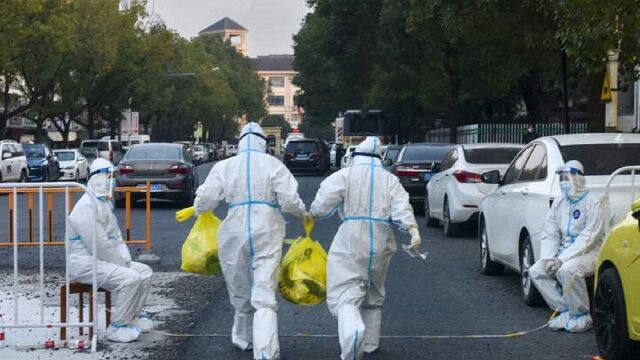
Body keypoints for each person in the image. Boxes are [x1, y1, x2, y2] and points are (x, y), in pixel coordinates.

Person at [193, 122, 307, 360]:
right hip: (267, 226)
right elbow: (288, 200)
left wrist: (197, 209)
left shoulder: (224, 166)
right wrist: (303, 214)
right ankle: (265, 349)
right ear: (263, 142)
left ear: (241, 141)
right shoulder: (273, 164)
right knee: (264, 286)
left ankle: (241, 336)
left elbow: (206, 199)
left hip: (234, 227)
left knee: (238, 281)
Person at [309, 137, 421, 360]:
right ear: (379, 157)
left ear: (355, 155)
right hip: (381, 238)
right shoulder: (389, 180)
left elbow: (323, 203)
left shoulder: (345, 175)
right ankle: (370, 343)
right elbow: (401, 206)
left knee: (345, 291)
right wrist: (413, 229)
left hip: (351, 236)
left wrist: (312, 212)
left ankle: (354, 334)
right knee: (374, 290)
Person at [67, 158, 153, 343]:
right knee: (130, 278)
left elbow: (116, 238)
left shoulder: (103, 203)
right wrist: (121, 264)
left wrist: (125, 259)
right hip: (85, 264)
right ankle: (116, 327)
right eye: (109, 176)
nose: (112, 181)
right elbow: (100, 244)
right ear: (97, 178)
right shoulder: (86, 206)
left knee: (144, 272)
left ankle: (132, 316)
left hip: (104, 260)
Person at [530, 160, 604, 333]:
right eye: (561, 178)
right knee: (536, 271)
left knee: (567, 270)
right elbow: (551, 232)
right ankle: (564, 309)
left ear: (578, 178)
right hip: (562, 254)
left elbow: (589, 237)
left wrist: (561, 260)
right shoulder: (559, 201)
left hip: (590, 252)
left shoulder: (594, 202)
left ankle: (581, 316)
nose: (563, 182)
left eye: (567, 177)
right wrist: (549, 258)